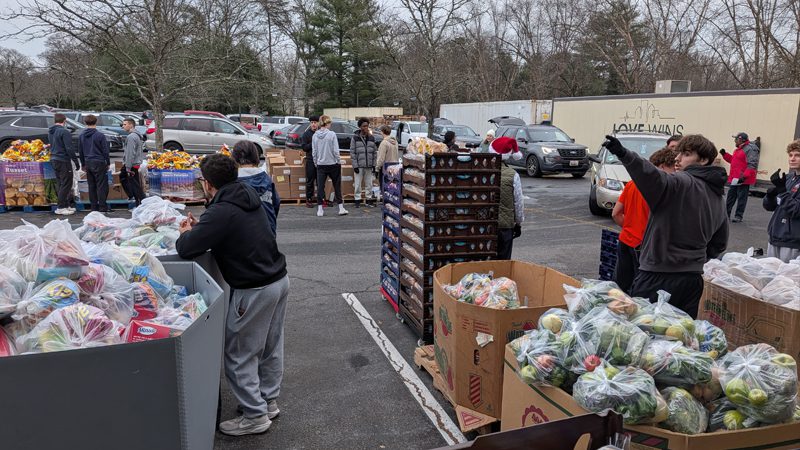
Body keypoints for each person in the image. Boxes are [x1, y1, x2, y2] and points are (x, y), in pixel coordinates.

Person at [176, 154, 289, 437]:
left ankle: (254, 416)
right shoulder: (246, 194)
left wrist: (187, 231)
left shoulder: (222, 211)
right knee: (270, 346)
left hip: (254, 288)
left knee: (240, 353)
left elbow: (186, 248)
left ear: (208, 183)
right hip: (278, 279)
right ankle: (267, 401)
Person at [602, 134, 728, 318]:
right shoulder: (719, 198)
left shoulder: (679, 183)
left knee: (643, 334)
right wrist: (692, 259)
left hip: (658, 277)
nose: (677, 158)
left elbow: (651, 175)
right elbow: (719, 244)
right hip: (692, 281)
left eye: (685, 154)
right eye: (678, 153)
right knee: (679, 339)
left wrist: (624, 154)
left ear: (704, 160)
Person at [611, 147, 678, 293]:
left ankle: (613, 313)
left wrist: (629, 227)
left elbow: (616, 213)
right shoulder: (661, 189)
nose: (676, 172)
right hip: (645, 247)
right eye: (673, 167)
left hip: (625, 241)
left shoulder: (632, 183)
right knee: (641, 292)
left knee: (620, 288)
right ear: (662, 166)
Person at [231, 140, 280, 235]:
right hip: (268, 233)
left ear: (235, 158)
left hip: (244, 237)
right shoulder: (266, 179)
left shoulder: (234, 182)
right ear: (255, 155)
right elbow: (276, 203)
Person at [762, 140, 800, 262]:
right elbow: (770, 207)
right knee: (771, 277)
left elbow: (796, 210)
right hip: (775, 236)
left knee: (786, 280)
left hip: (792, 241)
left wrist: (783, 192)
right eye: (790, 155)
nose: (792, 159)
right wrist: (770, 196)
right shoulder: (788, 178)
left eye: (797, 155)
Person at [489, 136, 524, 259]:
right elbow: (518, 202)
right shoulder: (513, 175)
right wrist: (518, 223)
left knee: (487, 260)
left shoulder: (483, 171)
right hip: (505, 226)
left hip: (485, 225)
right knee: (503, 260)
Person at [312, 115, 348, 217]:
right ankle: (341, 208)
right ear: (327, 123)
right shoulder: (332, 134)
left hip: (320, 164)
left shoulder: (315, 136)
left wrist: (316, 162)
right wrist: (338, 161)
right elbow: (335, 150)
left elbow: (314, 152)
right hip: (333, 164)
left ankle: (320, 209)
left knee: (320, 187)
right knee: (337, 186)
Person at [721, 132, 760, 223]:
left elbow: (752, 164)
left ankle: (738, 216)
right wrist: (725, 155)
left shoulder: (750, 149)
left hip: (743, 179)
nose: (734, 141)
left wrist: (744, 177)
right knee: (731, 196)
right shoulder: (738, 149)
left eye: (736, 139)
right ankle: (726, 215)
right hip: (735, 178)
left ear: (741, 139)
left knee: (741, 198)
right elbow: (733, 161)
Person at [78, 114, 111, 213]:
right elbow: (105, 150)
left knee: (91, 185)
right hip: (99, 161)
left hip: (88, 162)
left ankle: (93, 207)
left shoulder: (81, 136)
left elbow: (80, 151)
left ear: (85, 123)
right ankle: (102, 207)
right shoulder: (100, 135)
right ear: (96, 122)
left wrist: (83, 164)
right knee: (101, 185)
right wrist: (108, 162)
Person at [48, 113, 80, 216]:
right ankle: (61, 207)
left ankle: (65, 205)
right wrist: (76, 161)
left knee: (61, 183)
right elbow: (69, 148)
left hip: (54, 159)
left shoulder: (51, 132)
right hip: (63, 160)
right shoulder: (64, 132)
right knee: (66, 183)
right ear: (65, 121)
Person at [350, 118, 378, 208]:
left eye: (367, 126)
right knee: (357, 184)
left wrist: (374, 165)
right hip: (359, 165)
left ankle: (368, 199)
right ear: (360, 127)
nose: (366, 128)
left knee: (369, 184)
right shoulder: (355, 138)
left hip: (369, 165)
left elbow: (374, 152)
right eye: (364, 126)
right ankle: (357, 200)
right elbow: (352, 152)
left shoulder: (371, 138)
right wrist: (355, 165)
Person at [120, 118, 145, 205]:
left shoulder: (131, 137)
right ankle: (138, 199)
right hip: (134, 163)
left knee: (133, 183)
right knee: (132, 182)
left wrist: (128, 166)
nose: (123, 126)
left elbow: (130, 152)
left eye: (124, 124)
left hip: (132, 163)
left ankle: (140, 201)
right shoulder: (136, 135)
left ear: (131, 125)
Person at [300, 115, 320, 208]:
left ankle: (321, 199)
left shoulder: (321, 133)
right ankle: (309, 199)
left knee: (320, 181)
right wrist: (313, 143)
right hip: (310, 160)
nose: (313, 124)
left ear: (318, 123)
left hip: (320, 160)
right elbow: (304, 148)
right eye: (312, 123)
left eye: (315, 122)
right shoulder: (306, 134)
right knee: (310, 181)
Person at [375, 125, 399, 190]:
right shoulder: (395, 142)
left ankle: (384, 199)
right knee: (392, 187)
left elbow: (381, 158)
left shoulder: (384, 143)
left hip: (385, 167)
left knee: (384, 187)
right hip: (395, 167)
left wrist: (377, 168)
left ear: (382, 132)